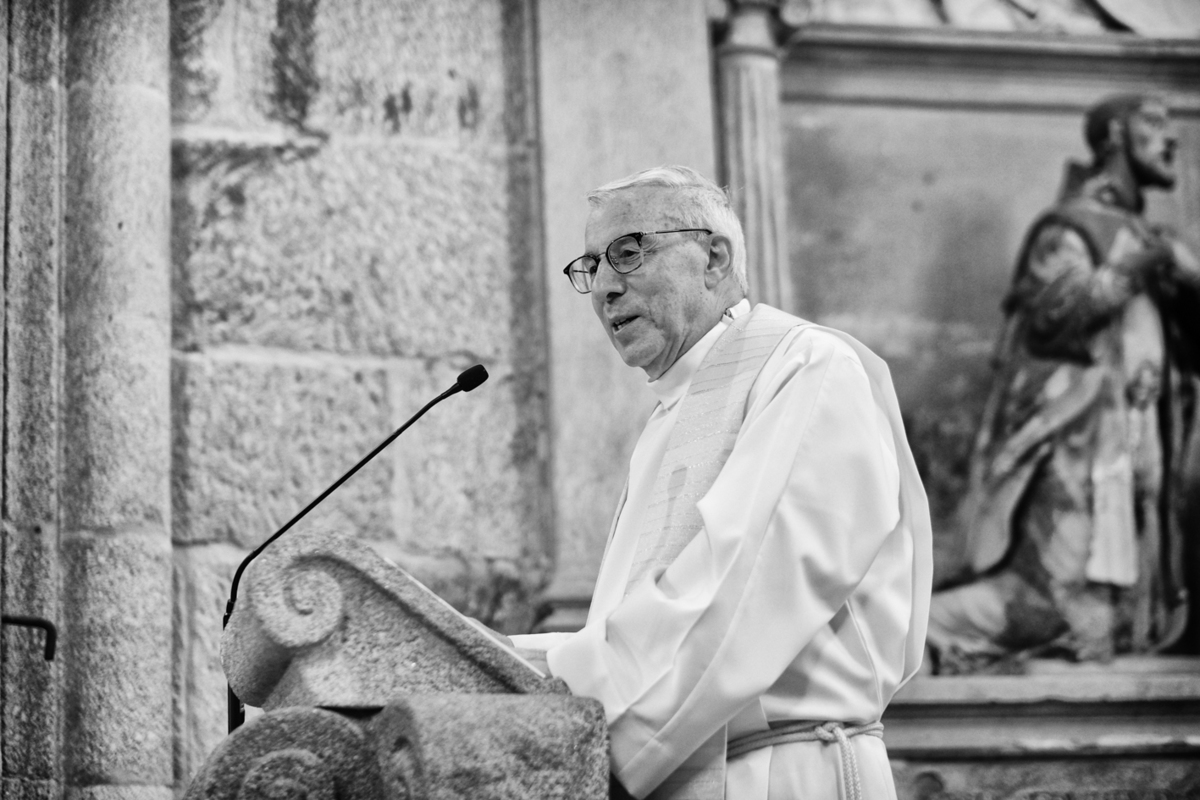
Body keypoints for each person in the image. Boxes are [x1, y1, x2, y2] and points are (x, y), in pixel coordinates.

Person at [510, 166, 933, 800]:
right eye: (591, 266)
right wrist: (499, 658)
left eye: (628, 253)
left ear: (714, 257)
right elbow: (642, 626)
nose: (603, 288)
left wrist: (540, 682)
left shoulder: (808, 366)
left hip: (783, 774)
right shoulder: (669, 417)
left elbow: (741, 590)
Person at [927, 95, 1200, 671]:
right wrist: (1136, 266)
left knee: (1121, 611)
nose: (1171, 139)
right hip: (1079, 444)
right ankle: (913, 634)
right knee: (1056, 600)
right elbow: (1053, 314)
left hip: (1140, 449)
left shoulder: (1151, 236)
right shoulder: (1069, 226)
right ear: (1114, 138)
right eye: (1153, 124)